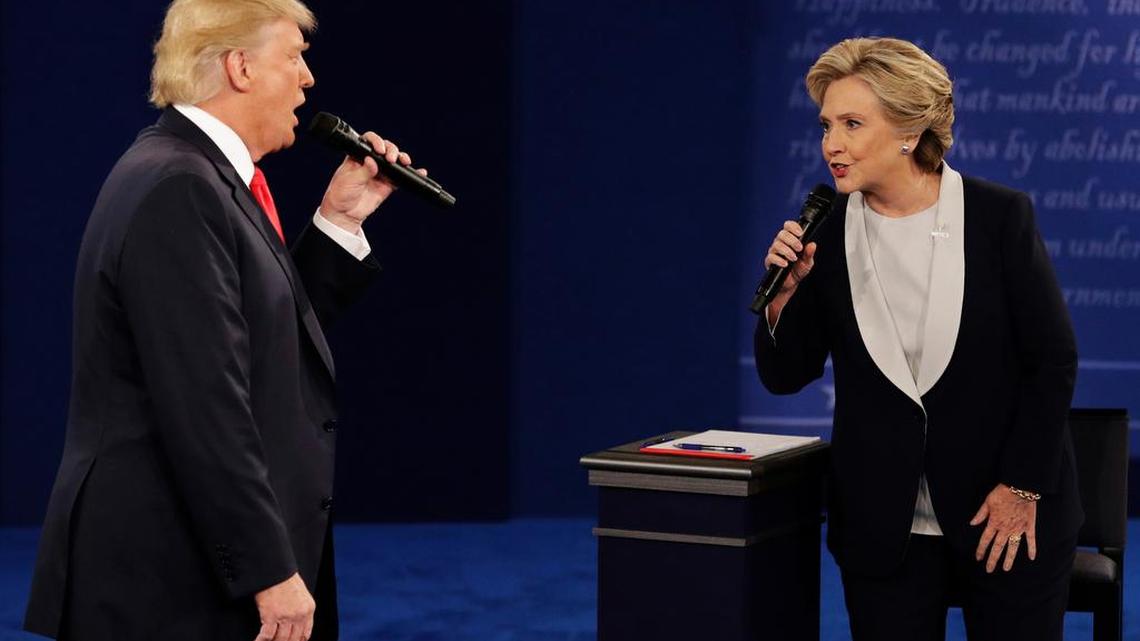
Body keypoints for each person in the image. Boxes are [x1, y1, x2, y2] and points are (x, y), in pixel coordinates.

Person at [23, 1, 425, 639]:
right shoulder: (178, 187)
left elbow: (260, 341)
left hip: (189, 567)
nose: (308, 79)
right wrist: (269, 570)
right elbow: (205, 404)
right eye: (294, 56)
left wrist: (339, 221)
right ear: (240, 66)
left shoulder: (198, 176)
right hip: (169, 584)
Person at [754, 37, 1081, 641]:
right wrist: (781, 297)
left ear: (909, 129)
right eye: (826, 124)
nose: (832, 143)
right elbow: (785, 375)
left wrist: (1022, 485)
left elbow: (1053, 360)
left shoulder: (998, 217)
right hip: (883, 521)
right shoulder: (823, 234)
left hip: (1002, 511)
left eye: (852, 123)